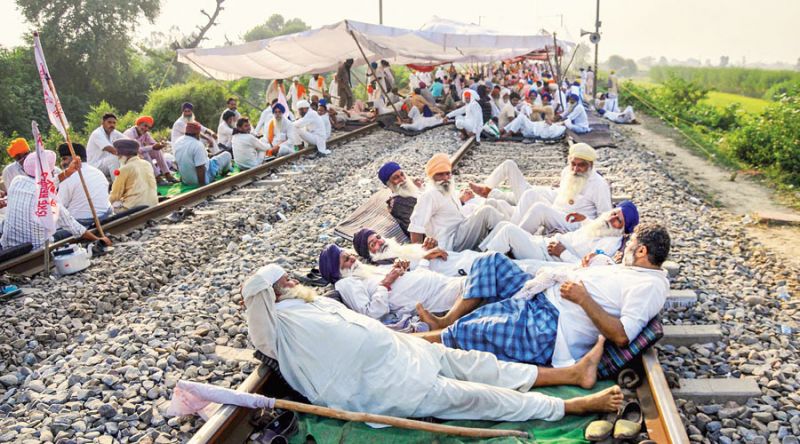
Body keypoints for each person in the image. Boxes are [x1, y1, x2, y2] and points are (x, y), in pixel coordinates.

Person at [242, 263, 623, 423]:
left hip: (403, 351)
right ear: (268, 296)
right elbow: (256, 308)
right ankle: (566, 406)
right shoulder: (276, 327)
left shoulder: (313, 301)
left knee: (479, 364)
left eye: (287, 277)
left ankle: (570, 374)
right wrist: (263, 287)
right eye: (282, 283)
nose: (291, 281)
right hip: (380, 385)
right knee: (474, 396)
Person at [417, 223, 671, 368]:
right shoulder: (636, 272)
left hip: (548, 324)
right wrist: (592, 265)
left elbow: (622, 336)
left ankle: (410, 342)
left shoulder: (649, 287)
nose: (625, 248)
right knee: (490, 262)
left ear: (641, 251)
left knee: (471, 329)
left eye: (630, 244)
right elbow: (610, 288)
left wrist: (584, 298)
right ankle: (446, 320)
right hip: (541, 295)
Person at [318, 243, 464, 321]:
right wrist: (386, 283)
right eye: (346, 259)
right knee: (475, 279)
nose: (353, 258)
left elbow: (407, 280)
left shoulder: (363, 272)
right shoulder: (346, 283)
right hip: (437, 297)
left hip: (442, 283)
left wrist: (422, 260)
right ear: (337, 271)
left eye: (350, 255)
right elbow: (371, 314)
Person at [0, 149, 111, 250]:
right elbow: (73, 226)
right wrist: (97, 239)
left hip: (7, 246)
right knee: (62, 231)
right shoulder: (48, 197)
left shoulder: (17, 181)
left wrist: (67, 172)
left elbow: (43, 185)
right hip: (36, 249)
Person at [480, 202, 639, 265]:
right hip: (543, 244)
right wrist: (584, 220)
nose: (611, 219)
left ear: (623, 230)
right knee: (503, 225)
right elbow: (592, 233)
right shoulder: (605, 228)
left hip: (548, 257)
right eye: (614, 213)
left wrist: (562, 253)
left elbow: (587, 268)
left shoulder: (610, 244)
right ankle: (479, 256)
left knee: (508, 231)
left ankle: (478, 266)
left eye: (618, 220)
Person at [408, 154, 504, 252]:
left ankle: (503, 240)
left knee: (490, 203)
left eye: (448, 174)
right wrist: (421, 256)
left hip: (461, 232)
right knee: (487, 211)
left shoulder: (448, 189)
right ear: (432, 177)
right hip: (451, 244)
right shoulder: (429, 195)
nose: (445, 178)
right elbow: (415, 228)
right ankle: (506, 242)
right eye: (440, 174)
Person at [57, 143, 112, 227]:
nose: (62, 163)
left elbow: (59, 207)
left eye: (64, 159)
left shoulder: (67, 178)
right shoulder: (98, 172)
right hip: (104, 216)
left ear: (76, 159)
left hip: (82, 223)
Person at [173, 122, 232, 187]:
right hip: (201, 180)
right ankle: (225, 173)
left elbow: (178, 163)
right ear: (198, 134)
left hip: (186, 181)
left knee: (211, 160)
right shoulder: (197, 145)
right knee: (227, 155)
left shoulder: (178, 142)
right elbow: (200, 167)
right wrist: (202, 186)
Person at [123, 116, 176, 186]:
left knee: (157, 151)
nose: (146, 129)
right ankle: (157, 177)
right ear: (138, 124)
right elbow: (136, 150)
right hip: (128, 157)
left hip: (138, 155)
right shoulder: (129, 133)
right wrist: (152, 147)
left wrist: (160, 144)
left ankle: (167, 174)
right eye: (145, 126)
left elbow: (153, 143)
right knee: (145, 154)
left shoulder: (145, 133)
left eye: (148, 127)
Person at [108, 139, 158, 211]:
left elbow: (115, 196)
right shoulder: (147, 164)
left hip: (133, 208)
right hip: (153, 204)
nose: (117, 157)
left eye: (117, 154)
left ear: (121, 154)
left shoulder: (125, 169)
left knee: (109, 209)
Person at [86, 113, 125, 180]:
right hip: (94, 166)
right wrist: (125, 154)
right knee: (115, 158)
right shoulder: (97, 133)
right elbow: (110, 149)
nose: (112, 125)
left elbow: (129, 141)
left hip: (105, 164)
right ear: (103, 123)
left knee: (128, 159)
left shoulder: (113, 132)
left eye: (114, 123)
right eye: (109, 122)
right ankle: (117, 183)